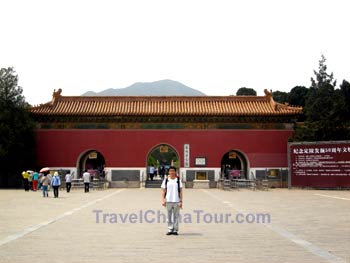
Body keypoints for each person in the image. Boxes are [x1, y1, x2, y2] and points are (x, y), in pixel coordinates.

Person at [161, 166, 183, 235]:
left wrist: (181, 201)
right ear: (169, 172)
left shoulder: (178, 180)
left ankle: (175, 230)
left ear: (175, 172)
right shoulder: (166, 180)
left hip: (176, 200)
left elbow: (180, 192)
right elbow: (163, 191)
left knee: (176, 216)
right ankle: (170, 229)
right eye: (170, 171)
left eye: (173, 171)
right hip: (168, 200)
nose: (172, 172)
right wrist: (163, 200)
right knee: (169, 216)